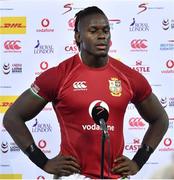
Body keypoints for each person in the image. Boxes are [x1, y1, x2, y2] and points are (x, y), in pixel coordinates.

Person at [3, 6, 169, 179]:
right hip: (74, 175)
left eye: (106, 30)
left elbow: (160, 119)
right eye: (93, 30)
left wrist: (139, 160)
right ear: (77, 36)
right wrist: (42, 161)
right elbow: (12, 117)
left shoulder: (128, 76)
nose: (102, 35)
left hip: (116, 175)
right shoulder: (59, 75)